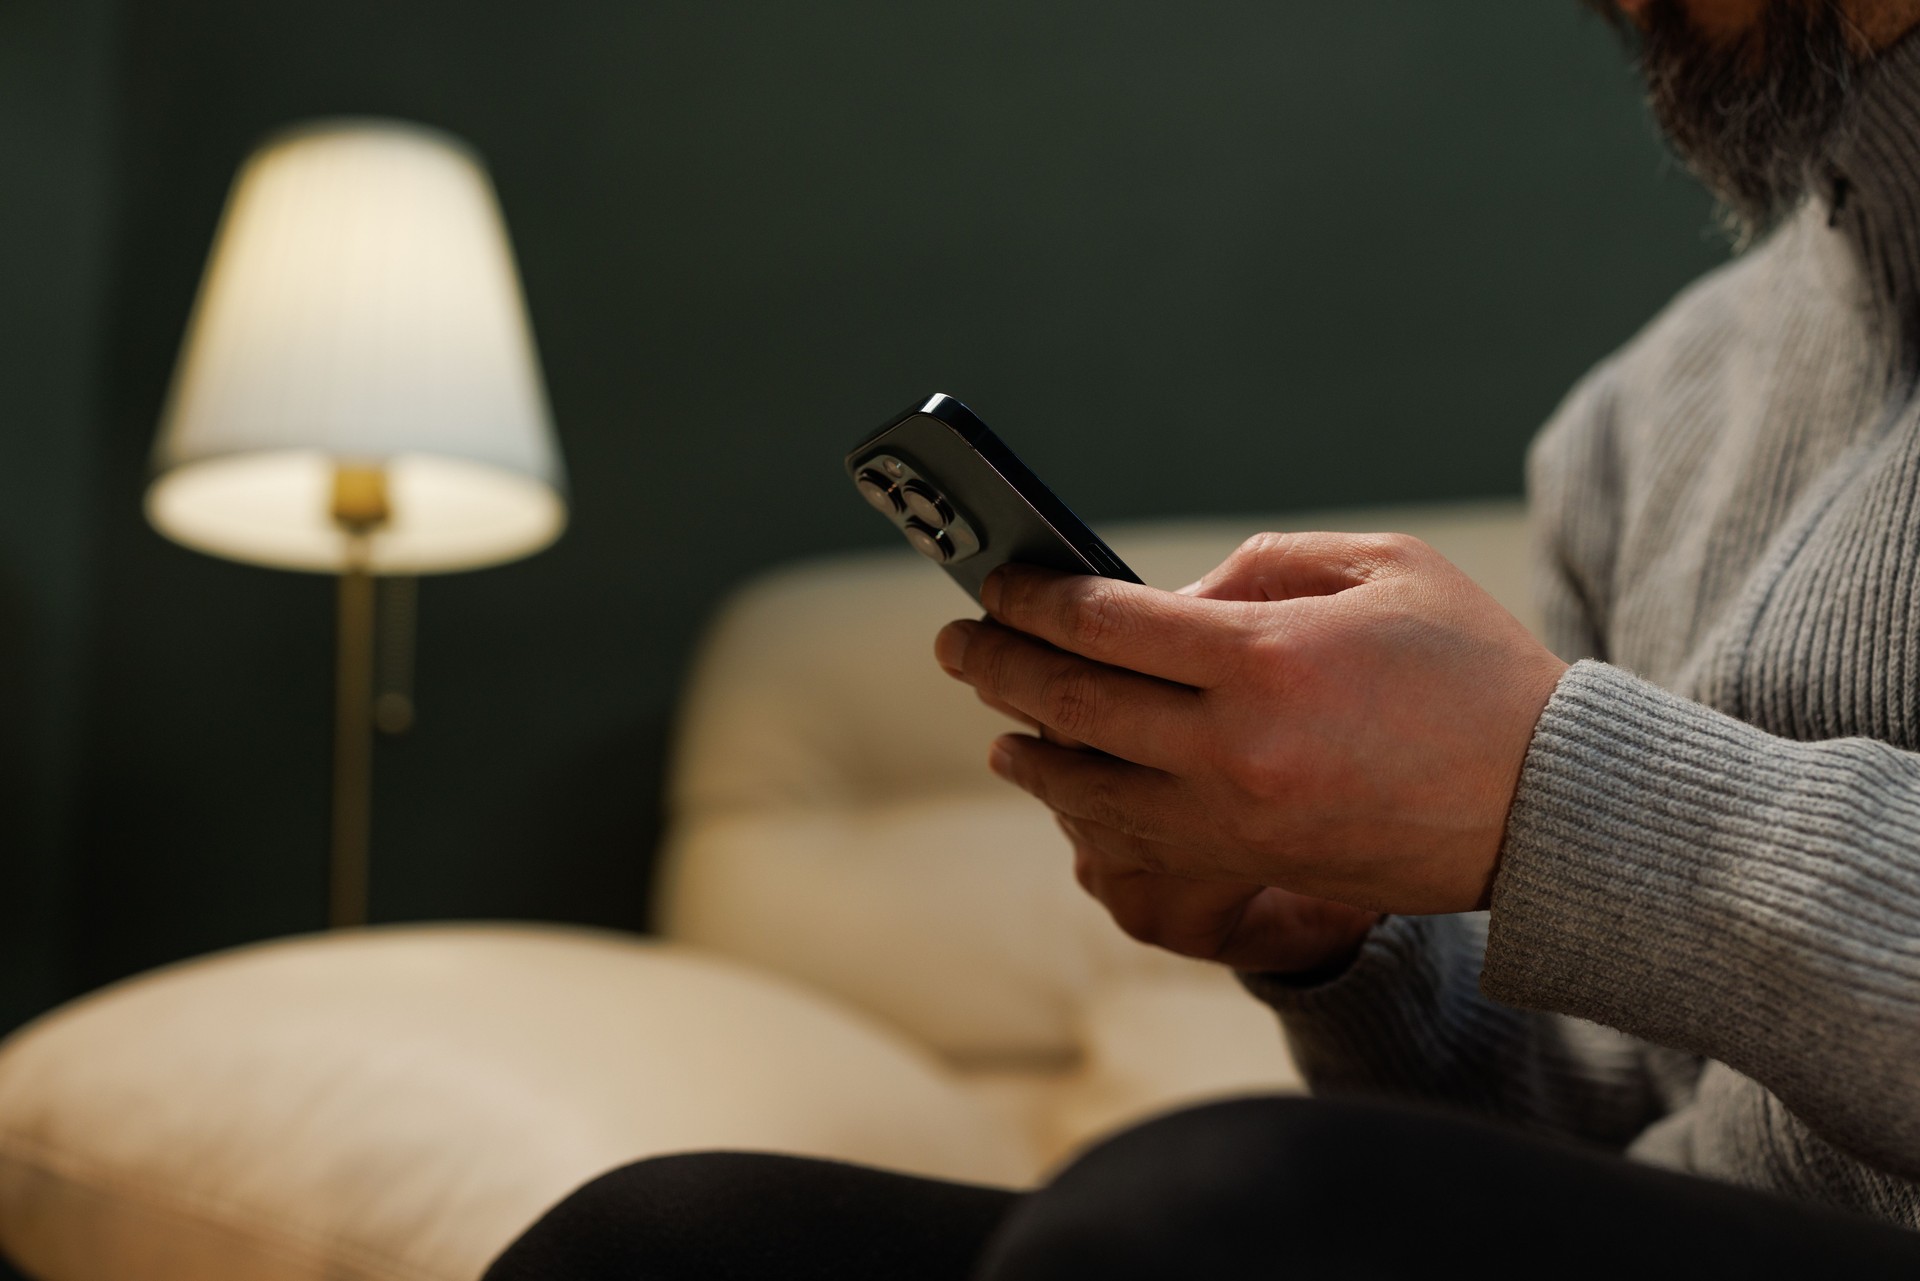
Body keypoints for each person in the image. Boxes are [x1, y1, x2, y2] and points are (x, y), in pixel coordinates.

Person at [487, 1, 1920, 1275]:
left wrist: (1564, 795)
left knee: (1204, 1207)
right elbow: (1588, 1148)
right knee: (666, 1243)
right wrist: (1342, 947)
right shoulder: (1642, 421)